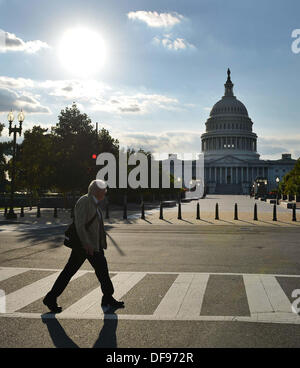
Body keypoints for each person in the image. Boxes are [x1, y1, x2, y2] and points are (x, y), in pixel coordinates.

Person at [43, 179, 124, 313]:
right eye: (104, 191)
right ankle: (51, 298)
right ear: (96, 191)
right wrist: (86, 243)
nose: (105, 193)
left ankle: (108, 297)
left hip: (94, 245)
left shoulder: (94, 203)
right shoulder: (84, 201)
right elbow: (80, 225)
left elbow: (97, 226)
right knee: (70, 272)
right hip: (85, 246)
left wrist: (101, 243)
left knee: (102, 271)